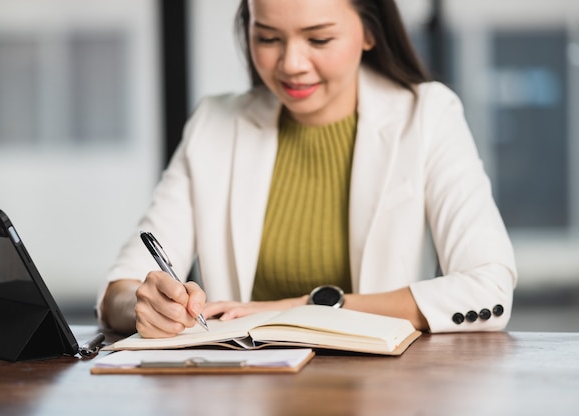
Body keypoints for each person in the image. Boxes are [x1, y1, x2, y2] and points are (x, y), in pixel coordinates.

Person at [98, 0, 517, 338]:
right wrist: (147, 303)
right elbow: (119, 290)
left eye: (319, 39)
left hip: (382, 393)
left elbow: (488, 287)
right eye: (268, 38)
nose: (291, 63)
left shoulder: (426, 115)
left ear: (370, 32)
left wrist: (303, 308)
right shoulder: (214, 123)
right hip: (242, 391)